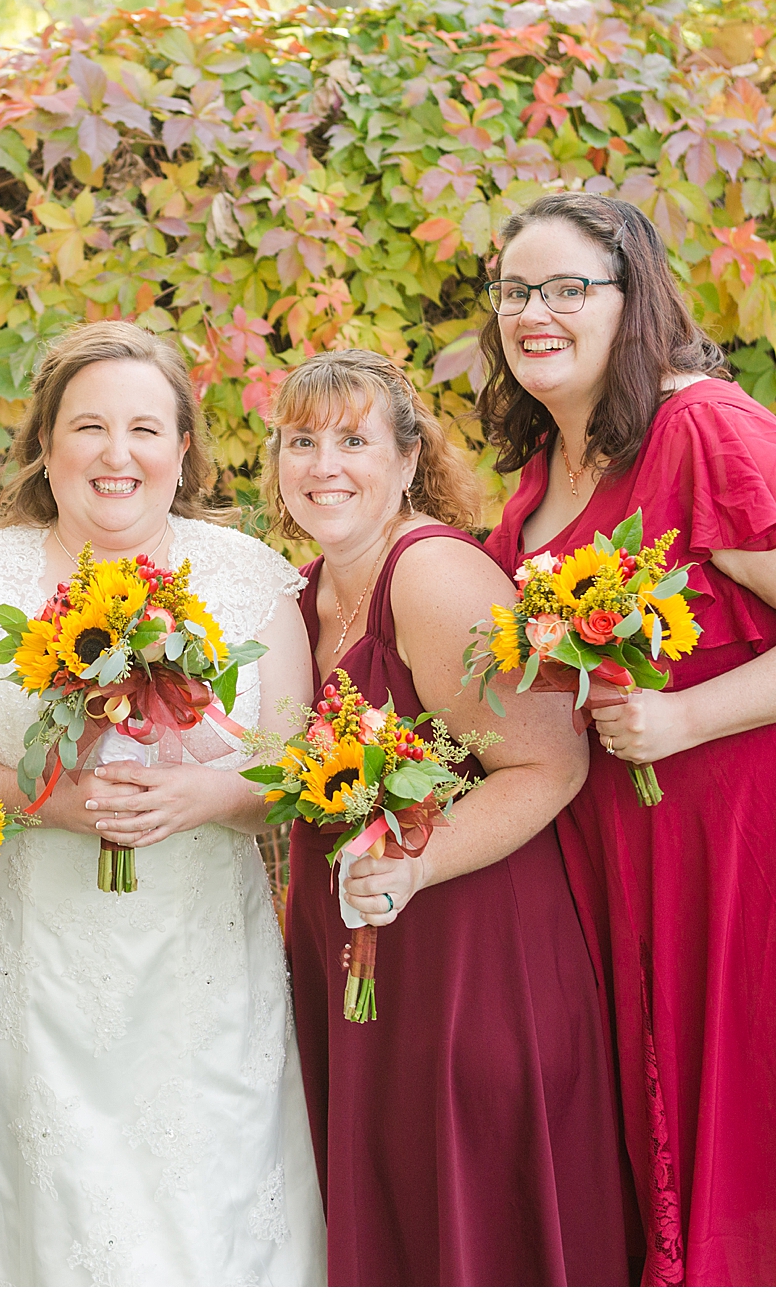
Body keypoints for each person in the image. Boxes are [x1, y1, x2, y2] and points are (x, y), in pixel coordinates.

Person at [477, 192, 776, 1285]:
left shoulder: (703, 428)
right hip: (636, 846)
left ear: (630, 299)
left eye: (566, 288)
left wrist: (684, 715)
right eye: (512, 291)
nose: (532, 313)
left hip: (771, 830)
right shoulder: (539, 473)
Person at [0, 320, 326, 1284]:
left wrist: (205, 792)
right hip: (26, 946)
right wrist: (45, 800)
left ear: (184, 447)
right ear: (46, 447)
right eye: (88, 426)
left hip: (198, 958)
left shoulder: (250, 577)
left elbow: (298, 765)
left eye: (145, 427)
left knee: (201, 1198)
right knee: (33, 1198)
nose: (116, 453)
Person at [264, 349, 632, 1285]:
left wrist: (417, 866)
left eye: (354, 441)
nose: (323, 465)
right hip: (364, 949)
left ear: (407, 459)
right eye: (300, 442)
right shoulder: (306, 591)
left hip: (470, 954)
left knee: (468, 1206)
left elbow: (551, 761)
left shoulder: (432, 578)